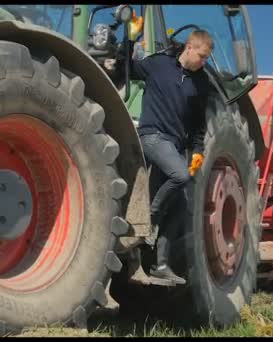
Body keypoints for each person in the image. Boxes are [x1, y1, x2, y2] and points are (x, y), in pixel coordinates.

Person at [105, 30, 213, 284]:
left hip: (174, 146)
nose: (204, 62)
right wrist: (129, 39)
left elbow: (198, 125)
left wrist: (198, 151)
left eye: (207, 58)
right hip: (151, 137)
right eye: (203, 56)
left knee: (180, 205)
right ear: (190, 47)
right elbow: (126, 67)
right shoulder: (159, 65)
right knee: (181, 177)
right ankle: (149, 218)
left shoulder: (201, 83)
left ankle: (159, 264)